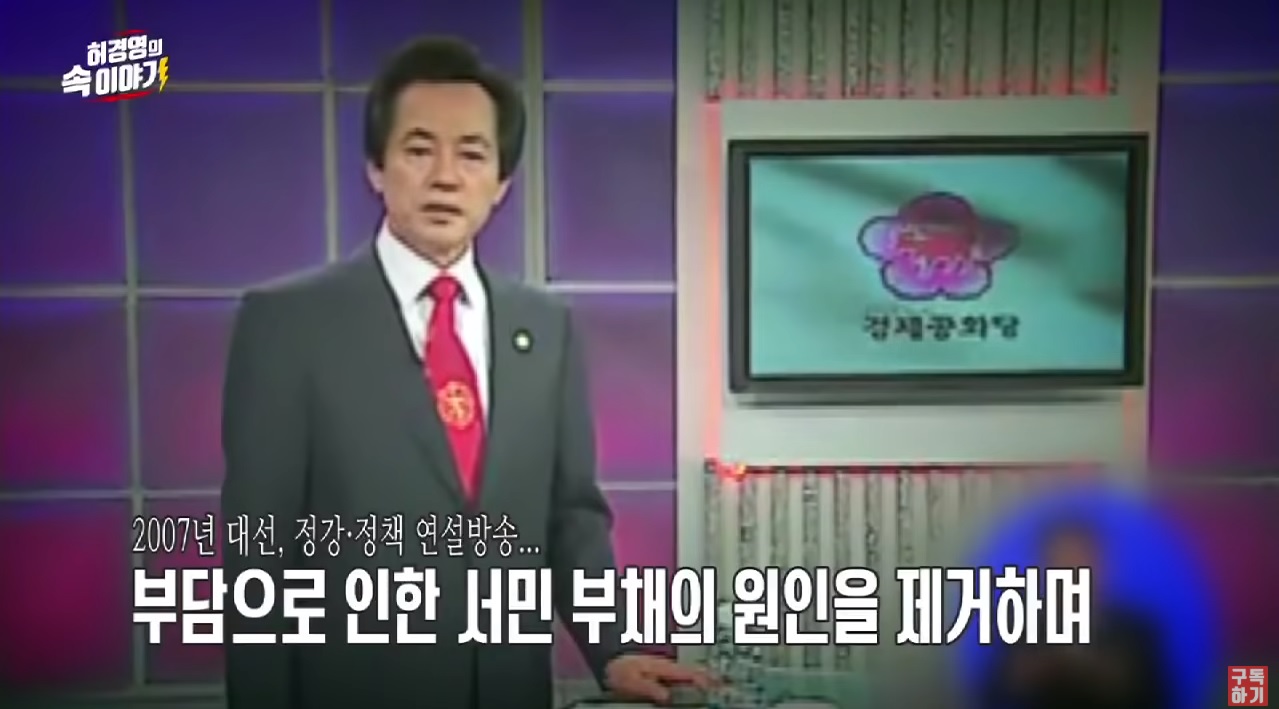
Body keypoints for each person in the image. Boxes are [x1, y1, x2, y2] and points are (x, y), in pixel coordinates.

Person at [220, 36, 709, 709]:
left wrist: (613, 649)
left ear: (501, 183)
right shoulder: (289, 323)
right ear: (376, 167)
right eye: (419, 150)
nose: (445, 177)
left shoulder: (546, 328)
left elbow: (571, 515)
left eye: (472, 154)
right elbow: (258, 552)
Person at [983, 520, 1166, 709]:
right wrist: (1029, 674)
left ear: (1102, 567)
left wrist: (1114, 680)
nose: (1073, 572)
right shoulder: (1023, 627)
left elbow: (1159, 696)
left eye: (1082, 560)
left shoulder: (1137, 630)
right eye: (1063, 561)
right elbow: (991, 694)